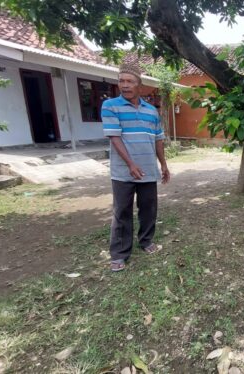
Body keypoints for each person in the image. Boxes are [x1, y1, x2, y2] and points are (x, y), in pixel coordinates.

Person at [102, 62, 171, 272]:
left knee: (148, 209)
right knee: (121, 211)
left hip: (148, 170)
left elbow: (158, 139)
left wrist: (164, 164)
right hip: (123, 172)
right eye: (121, 80)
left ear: (139, 85)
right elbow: (115, 137)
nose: (125, 85)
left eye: (129, 81)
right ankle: (119, 254)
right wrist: (130, 164)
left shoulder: (151, 111)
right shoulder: (110, 106)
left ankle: (146, 241)